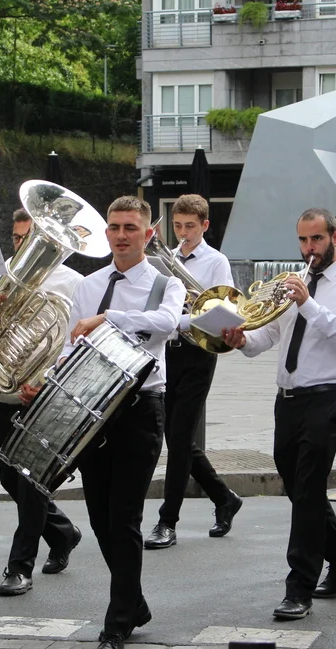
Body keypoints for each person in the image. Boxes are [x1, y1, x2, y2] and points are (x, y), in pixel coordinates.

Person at [222, 207, 336, 621]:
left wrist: (309, 305)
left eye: (316, 239)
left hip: (327, 397)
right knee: (299, 488)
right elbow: (269, 335)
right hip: (286, 399)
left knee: (307, 489)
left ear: (335, 238)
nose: (308, 248)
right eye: (303, 240)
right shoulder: (293, 281)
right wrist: (241, 340)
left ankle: (299, 586)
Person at [60, 196, 186, 649]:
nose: (120, 235)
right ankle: (134, 602)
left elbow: (167, 324)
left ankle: (114, 630)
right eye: (114, 227)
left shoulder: (165, 284)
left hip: (139, 409)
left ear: (148, 234)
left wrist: (109, 318)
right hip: (93, 409)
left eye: (131, 227)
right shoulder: (89, 283)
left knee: (125, 519)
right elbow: (69, 343)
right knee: (98, 518)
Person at [0, 208, 84, 596]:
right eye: (17, 238)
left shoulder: (74, 282)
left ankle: (19, 567)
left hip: (45, 397)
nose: (22, 245)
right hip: (5, 389)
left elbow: (78, 343)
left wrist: (48, 381)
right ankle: (62, 532)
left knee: (31, 483)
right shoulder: (5, 274)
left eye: (29, 238)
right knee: (8, 477)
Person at [144, 194, 242, 550]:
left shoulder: (216, 261)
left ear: (205, 225)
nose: (183, 233)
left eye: (190, 226)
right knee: (178, 439)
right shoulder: (163, 260)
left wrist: (180, 319)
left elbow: (223, 310)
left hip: (199, 352)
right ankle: (224, 498)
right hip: (166, 354)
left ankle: (167, 521)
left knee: (181, 437)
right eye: (178, 226)